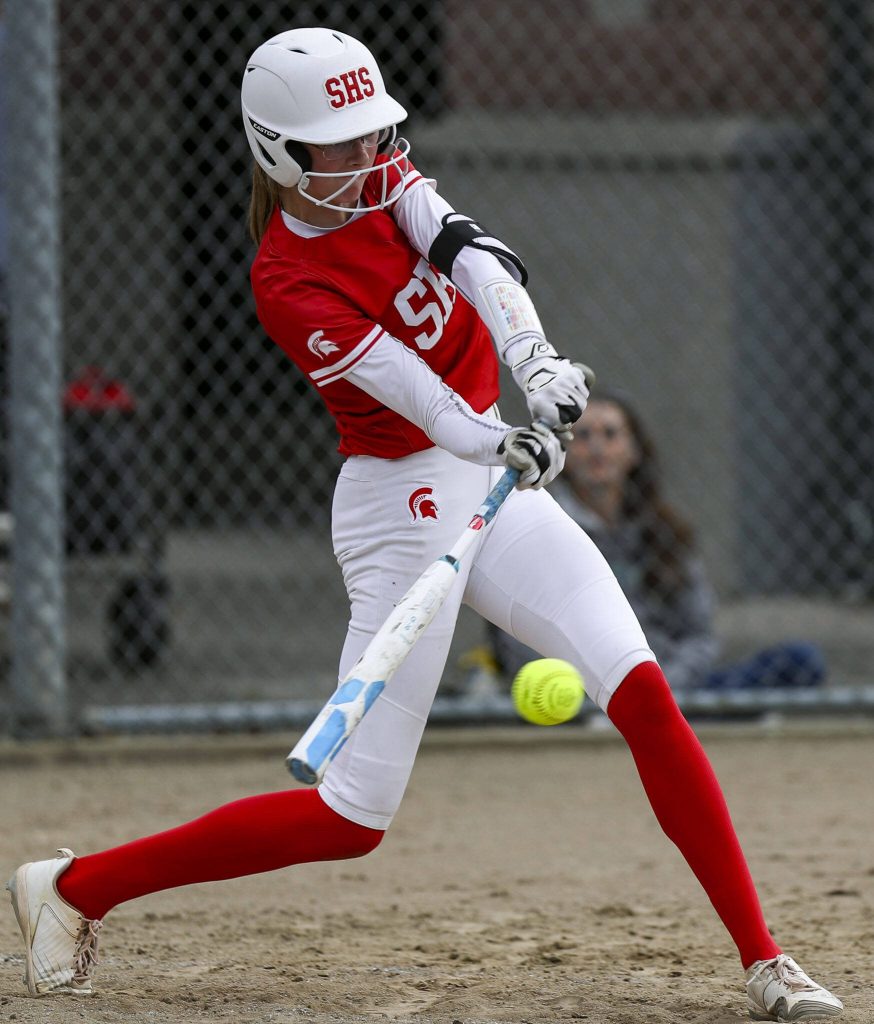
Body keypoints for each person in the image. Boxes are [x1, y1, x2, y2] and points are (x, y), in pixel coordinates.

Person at [6, 28, 842, 1021]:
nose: (367, 157)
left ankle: (764, 959)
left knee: (645, 693)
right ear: (279, 151)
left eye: (373, 135)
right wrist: (497, 438)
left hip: (493, 479)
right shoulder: (284, 279)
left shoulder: (388, 174)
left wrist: (533, 360)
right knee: (349, 817)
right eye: (341, 144)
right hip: (399, 504)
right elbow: (416, 400)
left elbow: (475, 259)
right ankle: (71, 887)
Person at [487, 390, 827, 693]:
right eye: (583, 435)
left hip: (671, 690)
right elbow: (515, 637)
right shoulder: (543, 530)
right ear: (563, 452)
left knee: (800, 660)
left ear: (634, 451)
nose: (596, 447)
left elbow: (699, 637)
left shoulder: (664, 532)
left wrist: (663, 690)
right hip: (582, 694)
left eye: (610, 434)